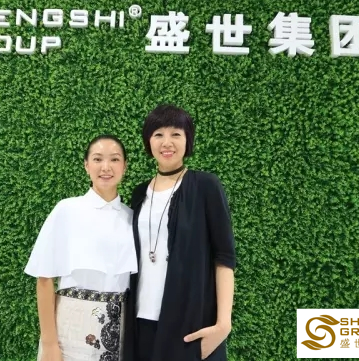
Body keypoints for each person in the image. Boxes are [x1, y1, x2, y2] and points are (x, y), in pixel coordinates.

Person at [122, 104, 237, 361]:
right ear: (148, 141)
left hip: (188, 326)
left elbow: (224, 257)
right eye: (158, 134)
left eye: (176, 134)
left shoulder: (205, 186)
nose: (167, 142)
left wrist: (223, 325)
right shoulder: (139, 193)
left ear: (188, 140)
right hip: (141, 323)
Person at [25, 135, 138, 361]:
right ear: (86, 165)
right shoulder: (67, 210)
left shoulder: (133, 217)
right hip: (69, 335)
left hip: (121, 335)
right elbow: (44, 279)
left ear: (124, 166)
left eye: (114, 159)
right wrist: (49, 343)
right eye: (97, 159)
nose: (106, 167)